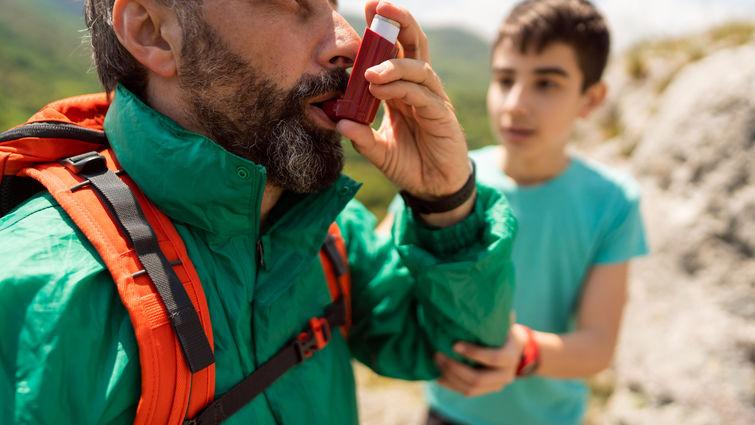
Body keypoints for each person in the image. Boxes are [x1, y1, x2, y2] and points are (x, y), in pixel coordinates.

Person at [0, 1, 518, 424]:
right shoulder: (35, 295)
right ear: (154, 32)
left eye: (335, 5)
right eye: (291, 4)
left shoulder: (329, 231)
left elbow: (468, 357)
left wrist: (445, 200)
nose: (349, 44)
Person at [420, 1, 649, 424]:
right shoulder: (447, 177)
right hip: (447, 412)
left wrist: (521, 353)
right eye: (505, 79)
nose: (517, 104)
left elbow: (598, 346)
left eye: (547, 83)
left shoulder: (614, 201)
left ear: (592, 99)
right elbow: (377, 274)